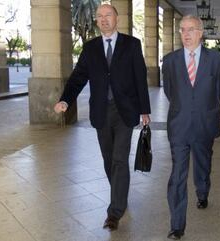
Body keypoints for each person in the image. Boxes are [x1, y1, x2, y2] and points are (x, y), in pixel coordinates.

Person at [54, 4, 151, 231]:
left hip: (125, 111)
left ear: (117, 18)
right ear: (97, 21)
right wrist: (65, 100)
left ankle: (114, 211)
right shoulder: (90, 48)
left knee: (119, 159)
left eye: (108, 15)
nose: (104, 19)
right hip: (100, 112)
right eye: (100, 16)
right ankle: (120, 195)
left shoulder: (132, 44)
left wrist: (144, 110)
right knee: (109, 160)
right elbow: (78, 77)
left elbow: (140, 77)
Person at [162, 15, 220, 240]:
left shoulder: (216, 59)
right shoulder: (170, 61)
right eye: (182, 30)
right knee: (178, 174)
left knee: (203, 163)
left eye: (191, 29)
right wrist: (185, 107)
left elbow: (218, 89)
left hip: (204, 124)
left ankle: (203, 190)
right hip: (179, 126)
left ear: (200, 33)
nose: (186, 34)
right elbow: (171, 92)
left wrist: (203, 108)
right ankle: (177, 225)